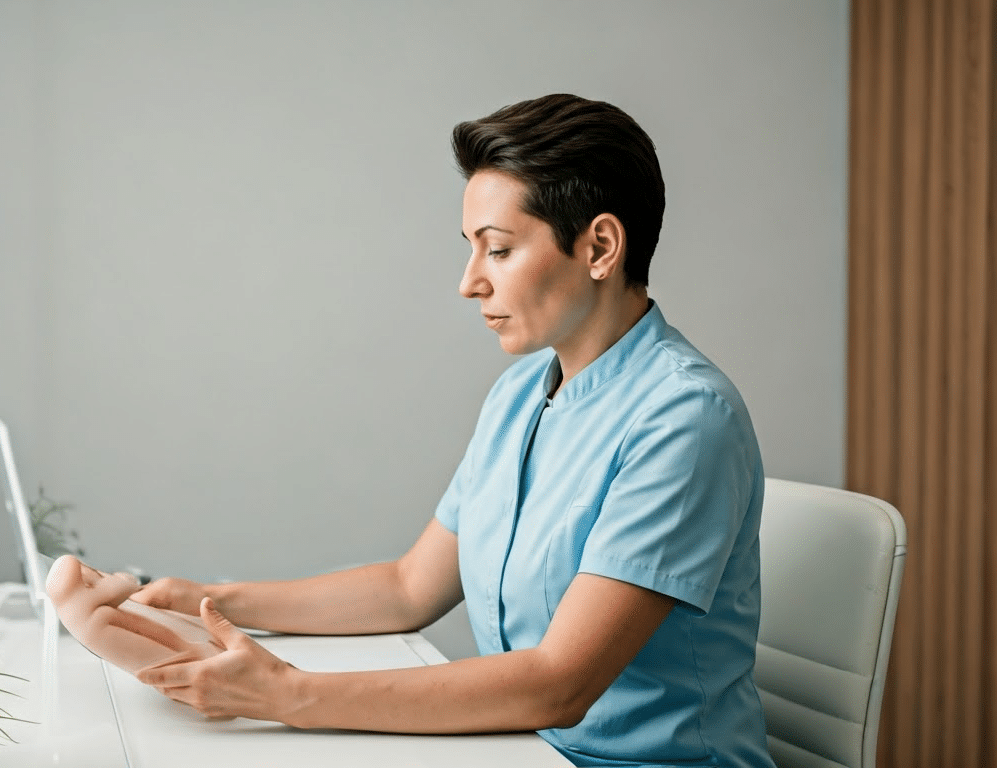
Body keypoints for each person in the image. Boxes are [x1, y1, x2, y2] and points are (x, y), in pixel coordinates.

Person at [132, 94, 776, 768]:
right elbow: (410, 587)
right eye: (472, 250)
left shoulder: (684, 418)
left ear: (600, 247)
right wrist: (208, 600)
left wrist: (287, 695)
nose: (470, 283)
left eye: (497, 249)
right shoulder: (520, 395)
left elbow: (560, 685)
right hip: (524, 752)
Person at [45, 554, 223, 675]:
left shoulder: (86, 615)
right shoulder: (98, 616)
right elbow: (125, 585)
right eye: (97, 575)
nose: (103, 577)